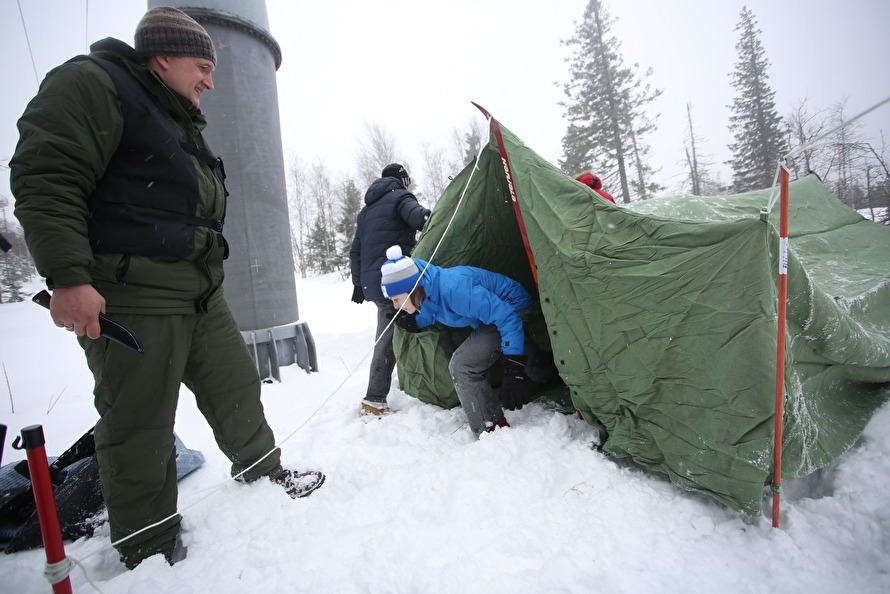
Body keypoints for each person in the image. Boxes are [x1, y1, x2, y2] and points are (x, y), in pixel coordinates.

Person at [10, 6, 324, 569]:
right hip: (133, 297)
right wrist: (70, 277)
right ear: (163, 57)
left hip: (200, 293)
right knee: (139, 424)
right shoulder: (95, 85)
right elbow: (47, 175)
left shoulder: (179, 119)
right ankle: (150, 545)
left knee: (236, 390)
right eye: (202, 66)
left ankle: (264, 469)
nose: (209, 80)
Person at [379, 245, 534, 436]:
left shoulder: (453, 289)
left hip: (513, 309)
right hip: (496, 317)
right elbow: (434, 309)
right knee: (536, 369)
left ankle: (491, 428)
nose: (395, 306)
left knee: (462, 366)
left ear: (411, 290)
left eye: (396, 299)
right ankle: (548, 372)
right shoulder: (428, 290)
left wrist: (514, 367)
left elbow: (507, 316)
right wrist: (413, 322)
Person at [349, 164, 430, 416]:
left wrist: (358, 284)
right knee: (388, 339)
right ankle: (374, 399)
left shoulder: (366, 211)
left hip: (375, 282)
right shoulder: (400, 197)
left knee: (395, 331)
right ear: (403, 180)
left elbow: (355, 251)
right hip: (396, 280)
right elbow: (421, 219)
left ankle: (413, 380)